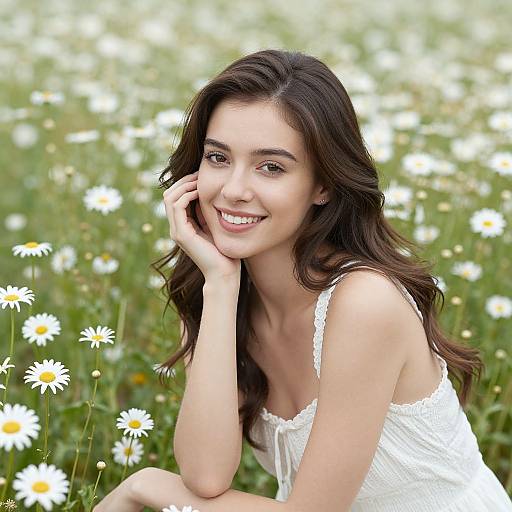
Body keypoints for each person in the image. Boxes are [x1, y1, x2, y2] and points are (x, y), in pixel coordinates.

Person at [94, 49, 512, 511]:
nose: (233, 189)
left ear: (324, 185)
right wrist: (218, 285)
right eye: (217, 157)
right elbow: (205, 475)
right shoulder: (221, 293)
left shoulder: (364, 304)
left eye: (270, 166)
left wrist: (144, 484)